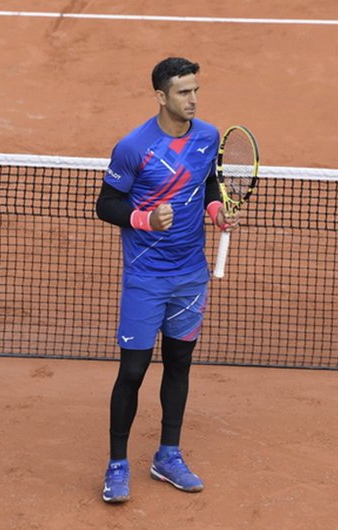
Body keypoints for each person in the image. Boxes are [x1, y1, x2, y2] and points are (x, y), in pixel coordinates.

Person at [95, 57, 239, 502]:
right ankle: (117, 464)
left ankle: (167, 455)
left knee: (179, 364)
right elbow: (106, 205)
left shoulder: (208, 136)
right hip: (146, 278)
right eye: (182, 92)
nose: (192, 99)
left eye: (195, 90)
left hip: (191, 276)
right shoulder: (133, 147)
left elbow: (209, 184)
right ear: (161, 96)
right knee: (133, 371)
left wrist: (216, 209)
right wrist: (143, 218)